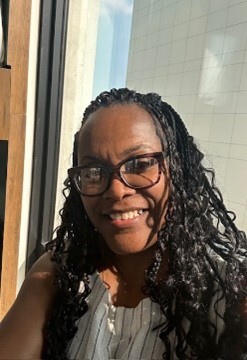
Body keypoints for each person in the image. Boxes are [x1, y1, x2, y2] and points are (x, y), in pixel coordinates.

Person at [0, 88, 247, 359]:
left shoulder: (229, 289)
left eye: (140, 164)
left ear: (179, 171)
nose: (116, 191)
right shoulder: (61, 271)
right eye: (94, 171)